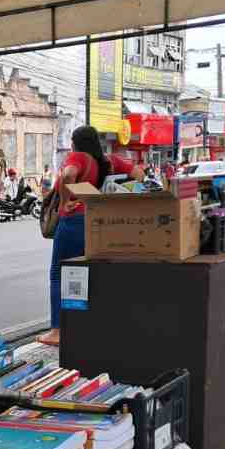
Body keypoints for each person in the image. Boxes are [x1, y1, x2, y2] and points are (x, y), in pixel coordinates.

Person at [40, 126, 143, 346]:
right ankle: (89, 324)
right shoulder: (109, 161)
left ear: (76, 143)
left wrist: (67, 199)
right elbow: (138, 174)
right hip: (101, 223)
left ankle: (58, 330)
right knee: (91, 274)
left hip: (74, 222)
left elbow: (68, 174)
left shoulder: (78, 157)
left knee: (60, 273)